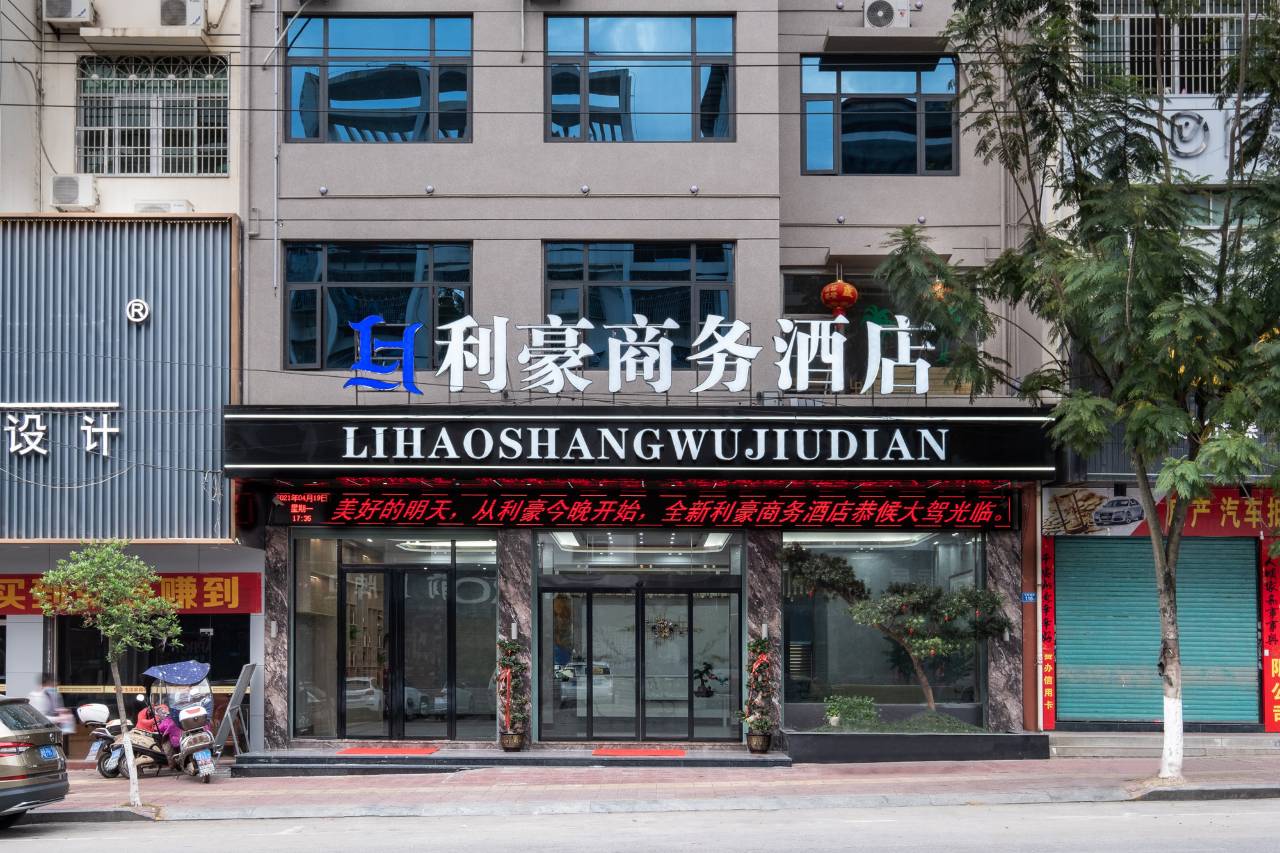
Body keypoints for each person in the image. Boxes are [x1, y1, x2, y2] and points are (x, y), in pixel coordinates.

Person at [27, 673, 75, 750]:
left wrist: (62, 712)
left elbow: (57, 708)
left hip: (51, 729)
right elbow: (40, 718)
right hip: (40, 729)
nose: (55, 685)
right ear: (46, 683)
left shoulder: (53, 694)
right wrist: (59, 719)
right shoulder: (37, 696)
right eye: (53, 683)